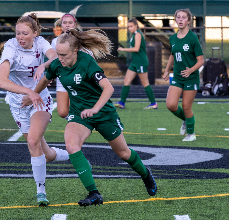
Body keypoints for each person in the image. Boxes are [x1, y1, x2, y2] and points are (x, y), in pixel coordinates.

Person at [27, 28, 157, 206]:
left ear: (75, 51)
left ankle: (146, 175)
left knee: (124, 153)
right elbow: (44, 79)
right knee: (72, 146)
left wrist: (95, 109)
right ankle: (94, 193)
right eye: (58, 54)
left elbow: (108, 88)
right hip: (80, 113)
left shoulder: (87, 62)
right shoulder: (58, 63)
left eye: (64, 54)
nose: (60, 58)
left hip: (102, 113)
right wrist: (33, 95)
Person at [0, 13, 70, 206]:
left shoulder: (41, 43)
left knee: (32, 141)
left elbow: (54, 57)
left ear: (35, 33)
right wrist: (28, 92)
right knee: (44, 153)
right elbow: (1, 81)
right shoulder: (10, 47)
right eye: (18, 33)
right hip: (18, 104)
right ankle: (71, 155)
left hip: (40, 100)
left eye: (25, 33)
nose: (20, 37)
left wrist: (45, 66)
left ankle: (41, 191)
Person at [162, 9, 204, 142]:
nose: (180, 20)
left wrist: (191, 70)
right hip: (178, 77)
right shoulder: (173, 38)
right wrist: (166, 70)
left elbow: (201, 60)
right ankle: (186, 120)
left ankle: (191, 134)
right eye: (178, 17)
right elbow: (172, 55)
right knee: (171, 105)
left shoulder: (192, 38)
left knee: (186, 107)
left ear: (188, 21)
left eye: (183, 18)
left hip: (191, 77)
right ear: (175, 20)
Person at [51, 5, 94, 118]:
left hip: (78, 79)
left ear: (75, 25)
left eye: (70, 23)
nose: (67, 25)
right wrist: (50, 75)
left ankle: (77, 129)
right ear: (61, 25)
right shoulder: (55, 41)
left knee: (75, 110)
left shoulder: (82, 41)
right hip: (62, 79)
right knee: (63, 112)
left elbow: (90, 59)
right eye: (65, 23)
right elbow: (54, 61)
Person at [115, 18, 157, 109]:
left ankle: (153, 103)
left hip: (141, 62)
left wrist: (123, 49)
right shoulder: (134, 35)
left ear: (136, 26)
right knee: (126, 81)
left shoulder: (138, 34)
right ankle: (122, 103)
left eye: (131, 26)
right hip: (134, 62)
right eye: (128, 27)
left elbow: (136, 49)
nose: (129, 28)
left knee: (145, 82)